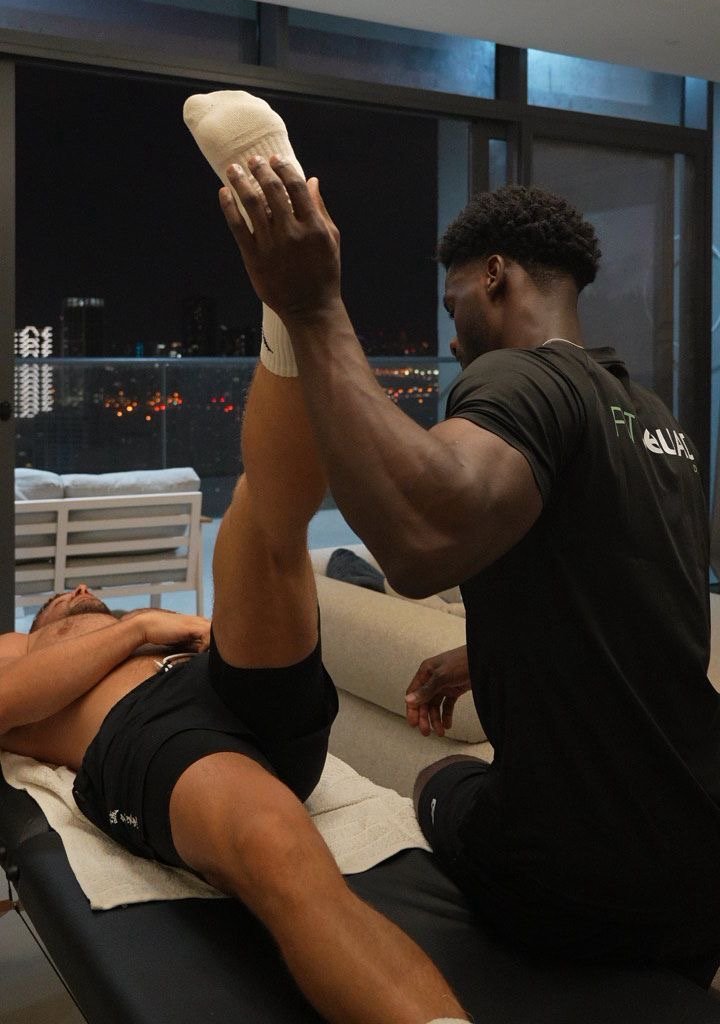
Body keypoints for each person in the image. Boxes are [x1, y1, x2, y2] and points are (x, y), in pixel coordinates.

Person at [219, 143, 720, 990]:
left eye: (453, 304)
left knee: (439, 778)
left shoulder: (523, 381)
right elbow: (631, 602)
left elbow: (421, 539)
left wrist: (311, 306)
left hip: (583, 888)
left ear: (494, 276)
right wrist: (482, 654)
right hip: (702, 862)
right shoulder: (654, 419)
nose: (452, 337)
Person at [1, 278, 470, 1018]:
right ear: (43, 620)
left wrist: (176, 636)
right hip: (151, 733)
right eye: (66, 596)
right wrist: (138, 627)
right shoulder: (20, 645)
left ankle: (291, 307)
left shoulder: (138, 629)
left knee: (259, 516)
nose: (80, 589)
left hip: (219, 681)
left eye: (87, 592)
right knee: (282, 859)